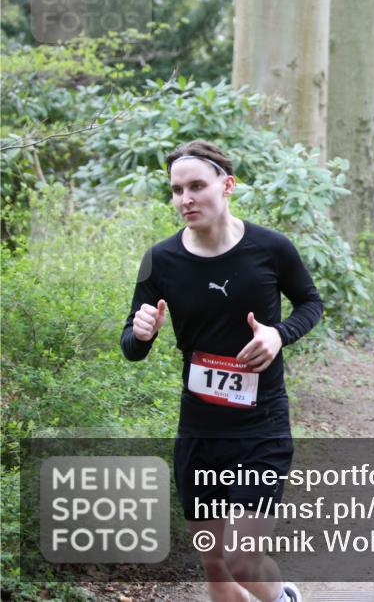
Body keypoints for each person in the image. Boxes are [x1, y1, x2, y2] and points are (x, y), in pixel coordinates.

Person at [121, 140, 322, 602]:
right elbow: (131, 346)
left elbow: (311, 303)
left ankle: (281, 598)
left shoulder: (270, 248)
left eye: (196, 186)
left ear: (226, 186)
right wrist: (142, 331)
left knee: (241, 559)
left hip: (261, 423)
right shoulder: (160, 260)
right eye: (176, 189)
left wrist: (278, 333)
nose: (185, 198)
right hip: (199, 428)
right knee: (214, 564)